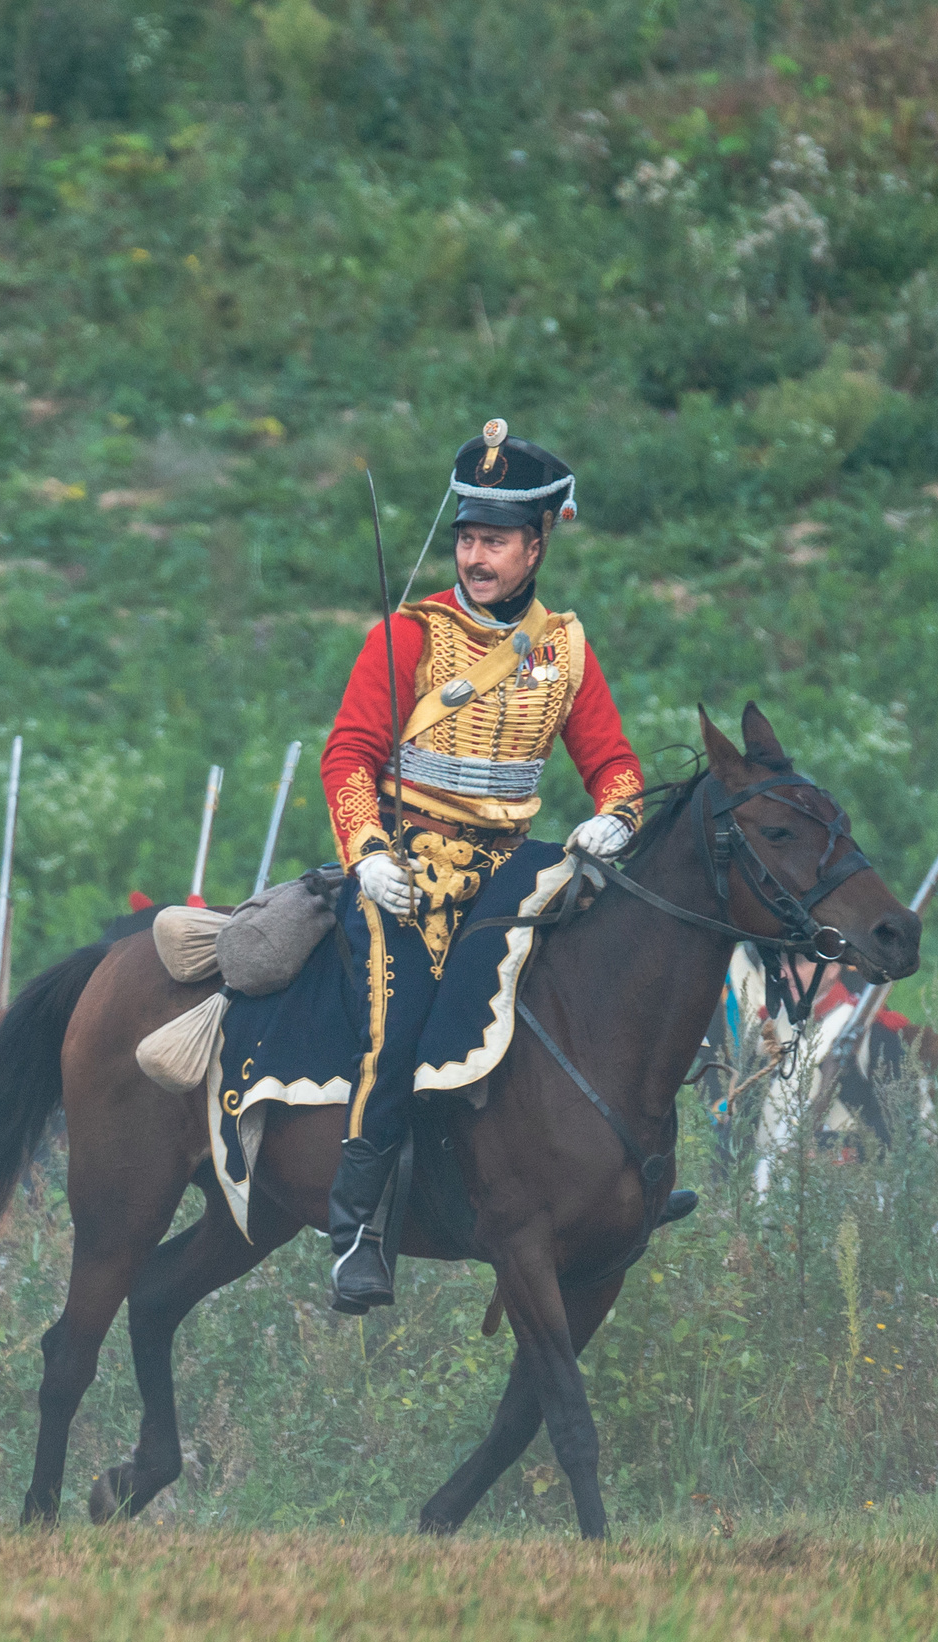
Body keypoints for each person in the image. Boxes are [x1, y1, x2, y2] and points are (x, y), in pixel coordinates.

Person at [319, 421, 644, 1312]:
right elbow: (347, 755)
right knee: (400, 1025)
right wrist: (367, 853)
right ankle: (358, 1226)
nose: (475, 554)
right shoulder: (409, 635)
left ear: (537, 544)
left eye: (495, 539)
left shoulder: (565, 648)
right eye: (467, 536)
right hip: (410, 865)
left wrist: (618, 817)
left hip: (513, 868)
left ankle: (610, 1181)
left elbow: (614, 764)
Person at [716, 944, 938, 1196]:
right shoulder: (766, 1032)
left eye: (799, 962)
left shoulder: (874, 1034)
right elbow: (739, 1127)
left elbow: (904, 1129)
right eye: (782, 962)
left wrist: (825, 1147)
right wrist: (727, 1190)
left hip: (855, 1202)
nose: (784, 973)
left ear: (833, 967)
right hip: (765, 1201)